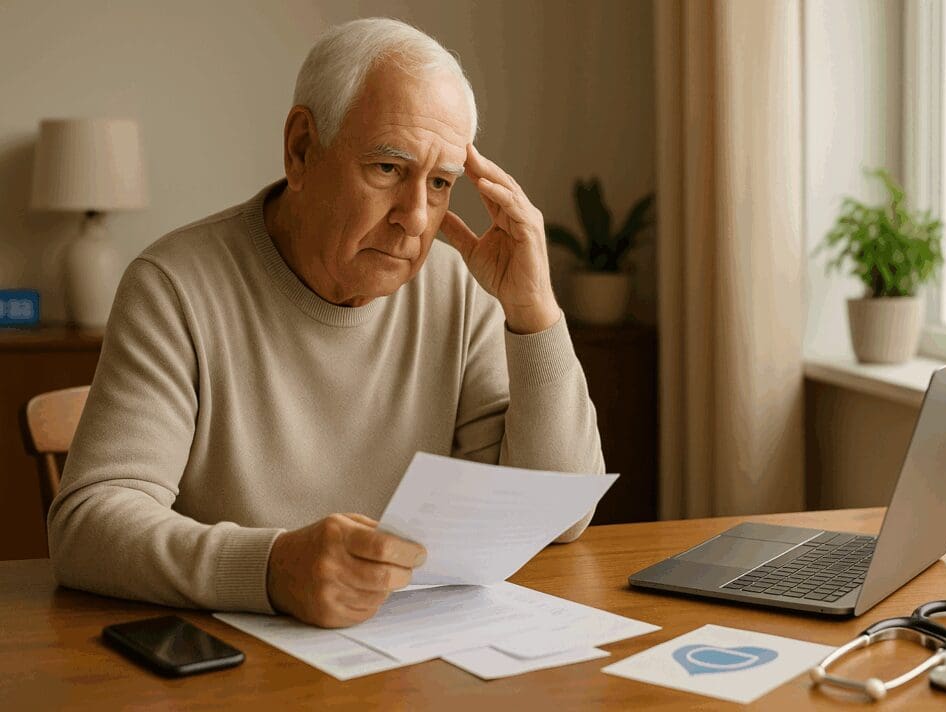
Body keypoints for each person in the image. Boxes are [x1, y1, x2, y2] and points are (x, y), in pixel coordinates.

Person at [48, 18, 604, 629]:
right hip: (234, 662)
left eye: (441, 183)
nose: (416, 218)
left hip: (408, 662)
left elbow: (553, 518)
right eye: (388, 169)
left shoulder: (458, 290)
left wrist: (534, 314)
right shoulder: (174, 286)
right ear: (302, 149)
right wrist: (270, 568)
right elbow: (89, 522)